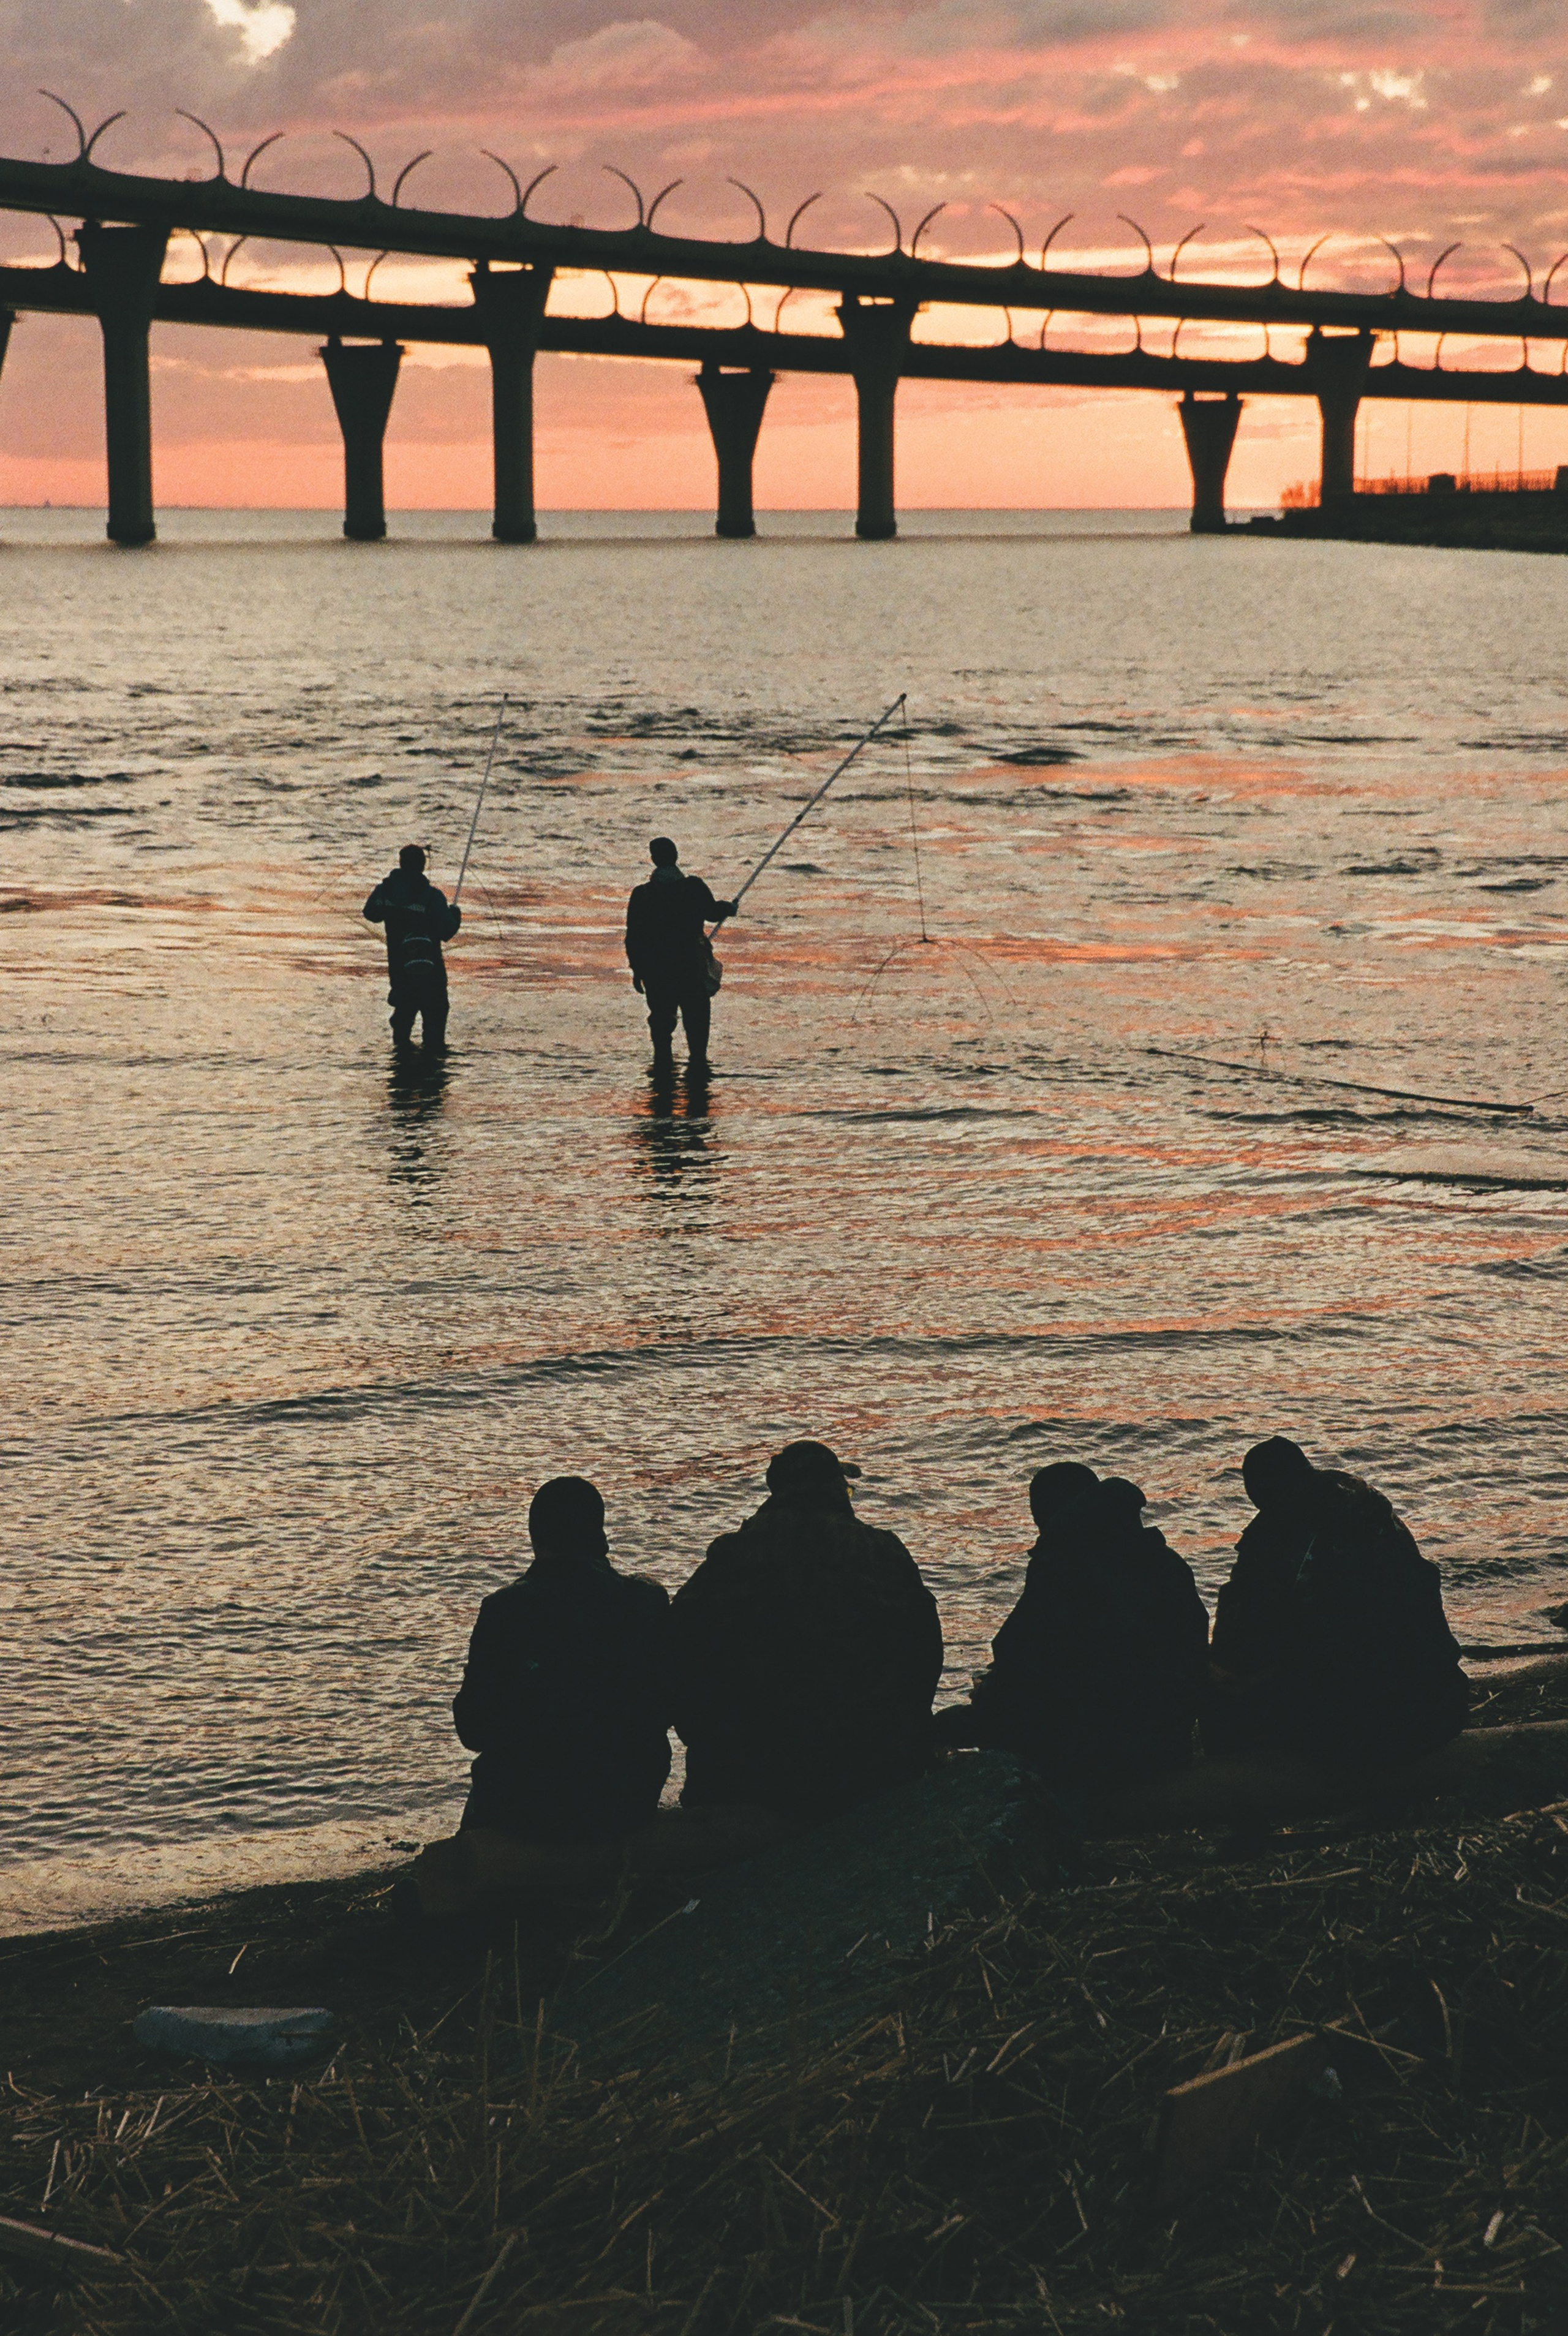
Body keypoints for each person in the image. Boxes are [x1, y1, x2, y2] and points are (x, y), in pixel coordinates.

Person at [669, 1440, 943, 1818]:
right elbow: (924, 1650)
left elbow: (678, 1647)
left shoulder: (734, 1555)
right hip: (869, 1764)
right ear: (833, 1489)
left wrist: (708, 1738)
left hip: (749, 1773)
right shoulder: (880, 1551)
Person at [935, 1464, 1210, 1788]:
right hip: (1167, 1744)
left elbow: (1024, 1662)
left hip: (1092, 1754)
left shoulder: (1063, 1567)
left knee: (944, 1726)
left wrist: (988, 1695)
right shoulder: (1165, 1562)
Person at [1202, 1435, 1468, 1768]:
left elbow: (1241, 1646)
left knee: (1225, 1698)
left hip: (1371, 1726)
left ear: (1261, 1495)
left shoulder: (1280, 1542)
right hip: (1441, 1702)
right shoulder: (1373, 1513)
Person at [452, 1476, 673, 1846]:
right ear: (600, 1537)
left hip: (529, 1811)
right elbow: (670, 1705)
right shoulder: (644, 1602)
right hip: (627, 1802)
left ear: (535, 1538)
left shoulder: (504, 1611)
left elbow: (473, 1730)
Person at [625, 837, 736, 1077]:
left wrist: (637, 971)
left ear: (654, 860)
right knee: (696, 1021)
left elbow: (633, 938)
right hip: (690, 967)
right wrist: (729, 908)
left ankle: (663, 1071)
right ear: (676, 856)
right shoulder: (693, 887)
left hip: (656, 970)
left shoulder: (642, 895)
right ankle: (698, 1069)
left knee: (662, 1024)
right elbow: (713, 912)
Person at [364, 844, 461, 1050]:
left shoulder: (385, 891)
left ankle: (403, 1074)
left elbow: (370, 913)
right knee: (434, 1040)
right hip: (431, 977)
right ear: (423, 866)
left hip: (400, 975)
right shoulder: (432, 896)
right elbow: (447, 932)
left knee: (401, 1036)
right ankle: (431, 1075)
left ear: (401, 863)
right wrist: (456, 915)